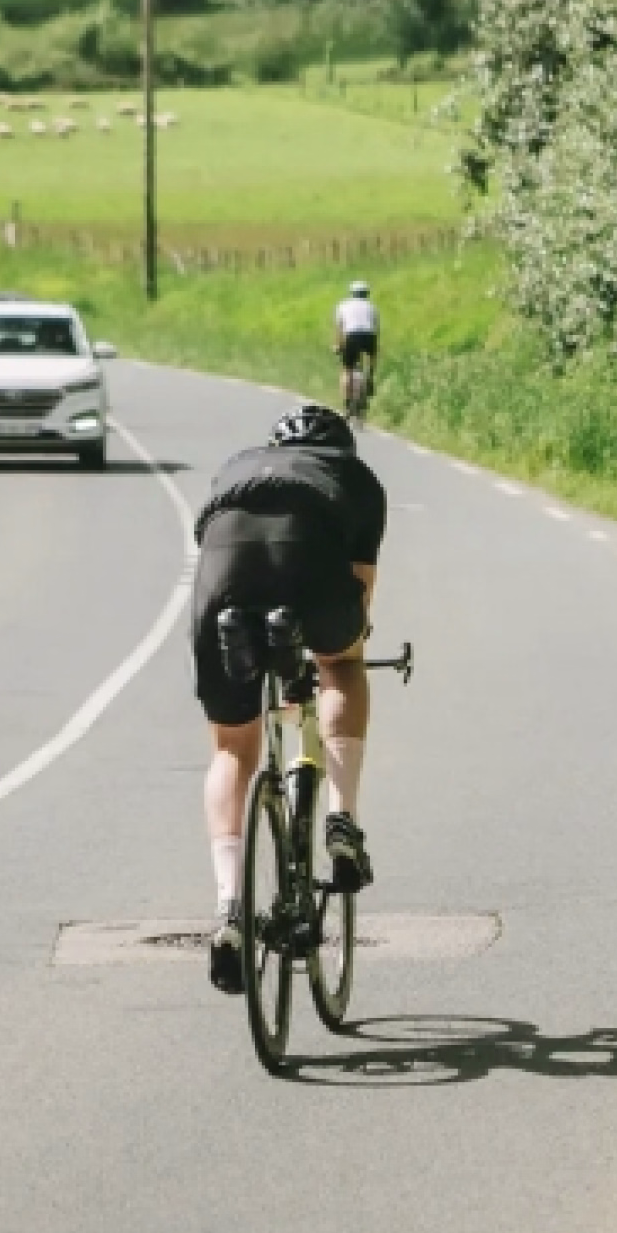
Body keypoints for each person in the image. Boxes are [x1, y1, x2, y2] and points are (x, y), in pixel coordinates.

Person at [191, 403, 388, 995]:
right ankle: (341, 819)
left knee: (232, 748)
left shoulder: (237, 466)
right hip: (311, 565)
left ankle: (229, 906)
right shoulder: (357, 480)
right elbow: (360, 597)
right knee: (342, 663)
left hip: (224, 571)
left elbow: (213, 542)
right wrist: (343, 642)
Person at [333, 280, 380, 412]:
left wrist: (338, 345)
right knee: (372, 356)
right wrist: (375, 347)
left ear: (352, 293)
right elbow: (376, 329)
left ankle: (347, 402)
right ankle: (370, 376)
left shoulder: (343, 305)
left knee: (347, 370)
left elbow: (340, 328)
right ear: (366, 294)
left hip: (351, 336)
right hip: (369, 336)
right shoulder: (372, 307)